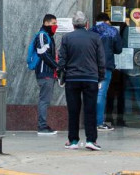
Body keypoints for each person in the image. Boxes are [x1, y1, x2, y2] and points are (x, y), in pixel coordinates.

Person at [58, 11, 106, 151]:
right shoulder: (95, 37)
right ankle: (91, 140)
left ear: (73, 25)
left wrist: (61, 76)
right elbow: (101, 60)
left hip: (72, 79)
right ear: (87, 24)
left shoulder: (66, 38)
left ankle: (73, 140)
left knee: (73, 111)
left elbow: (62, 60)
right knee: (90, 110)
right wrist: (101, 77)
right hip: (91, 78)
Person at [90, 12, 122, 131]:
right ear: (107, 21)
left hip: (91, 67)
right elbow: (118, 50)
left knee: (91, 93)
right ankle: (99, 122)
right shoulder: (112, 31)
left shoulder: (91, 30)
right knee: (101, 94)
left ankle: (90, 121)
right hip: (105, 67)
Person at [32, 14, 59, 135]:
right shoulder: (43, 35)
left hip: (49, 73)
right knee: (44, 100)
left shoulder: (48, 35)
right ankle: (42, 126)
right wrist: (56, 66)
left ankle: (43, 125)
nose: (55, 26)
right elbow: (43, 54)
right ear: (46, 23)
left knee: (45, 100)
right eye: (53, 23)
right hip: (45, 73)